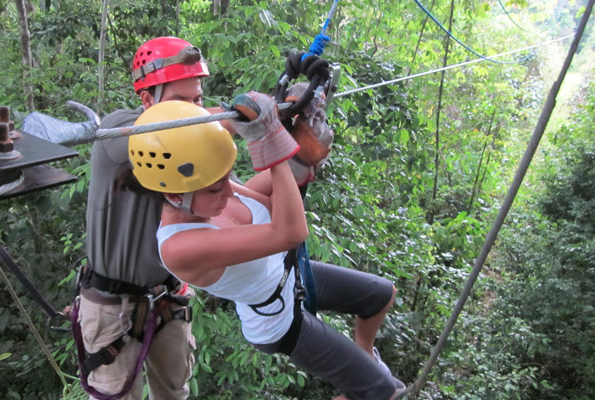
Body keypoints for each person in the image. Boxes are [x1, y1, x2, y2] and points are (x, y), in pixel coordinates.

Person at [123, 95, 406, 400]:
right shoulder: (179, 246)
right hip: (277, 320)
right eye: (218, 187)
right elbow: (291, 231)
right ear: (176, 197)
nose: (231, 190)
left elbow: (275, 196)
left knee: (381, 295)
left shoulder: (211, 194)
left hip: (290, 277)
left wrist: (291, 127)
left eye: (227, 177)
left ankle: (366, 355)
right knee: (381, 392)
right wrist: (273, 146)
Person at [76, 37, 211, 399]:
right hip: (111, 306)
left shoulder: (203, 145)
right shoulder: (118, 131)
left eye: (198, 99)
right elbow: (166, 140)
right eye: (180, 101)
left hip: (167, 298)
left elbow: (233, 196)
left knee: (175, 392)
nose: (194, 110)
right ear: (147, 100)